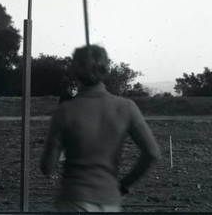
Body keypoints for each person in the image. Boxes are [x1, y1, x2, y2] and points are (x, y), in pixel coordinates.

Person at [40, 45, 161, 212]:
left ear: (75, 72)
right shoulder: (127, 107)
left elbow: (47, 167)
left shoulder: (65, 111)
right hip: (109, 201)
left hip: (73, 201)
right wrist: (124, 185)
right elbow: (152, 153)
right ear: (106, 69)